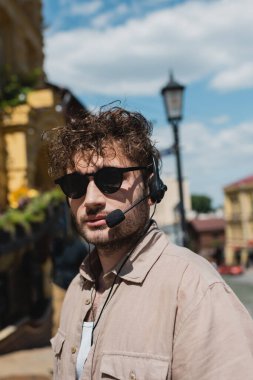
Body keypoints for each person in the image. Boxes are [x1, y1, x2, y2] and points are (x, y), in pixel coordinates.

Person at [47, 106, 253, 379]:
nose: (92, 199)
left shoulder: (195, 290)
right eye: (75, 185)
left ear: (152, 191)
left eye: (110, 179)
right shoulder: (77, 288)